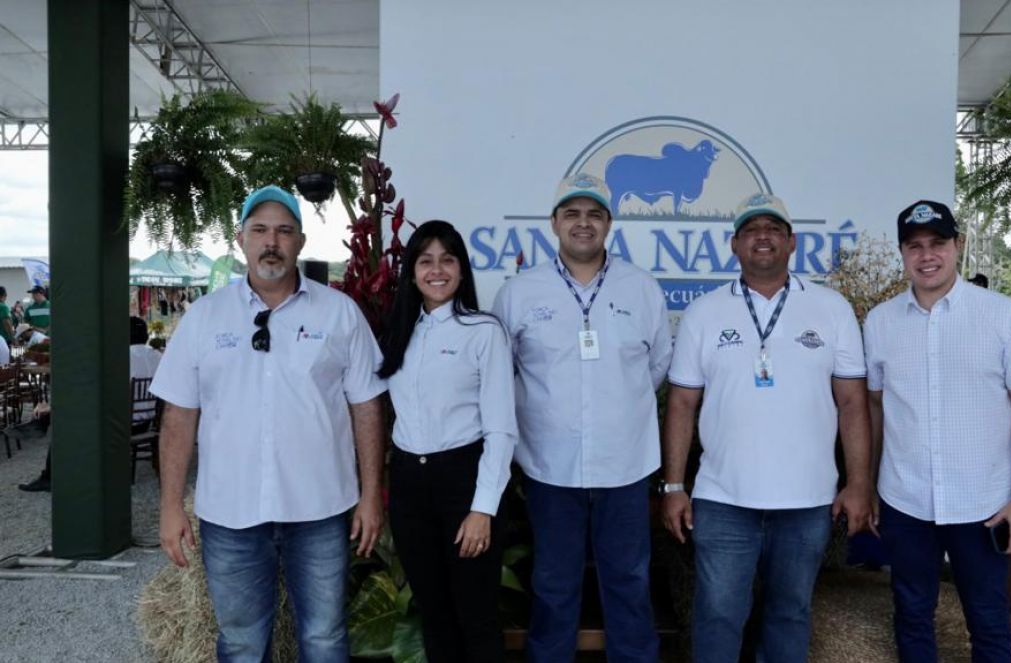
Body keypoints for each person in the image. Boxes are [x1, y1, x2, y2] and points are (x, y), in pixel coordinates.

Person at [151, 185, 387, 662]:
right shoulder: (204, 317)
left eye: (283, 230)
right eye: (259, 230)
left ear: (301, 241)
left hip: (320, 508)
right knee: (241, 643)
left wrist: (370, 495)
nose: (271, 242)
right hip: (230, 512)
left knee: (324, 638)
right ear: (240, 240)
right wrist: (170, 505)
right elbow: (178, 416)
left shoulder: (339, 313)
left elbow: (367, 407)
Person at [661, 192, 875, 662]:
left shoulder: (831, 308)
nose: (763, 237)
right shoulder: (703, 312)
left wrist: (859, 483)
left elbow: (852, 402)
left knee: (790, 614)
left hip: (807, 500)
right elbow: (681, 403)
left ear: (792, 242)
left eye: (774, 229)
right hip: (723, 499)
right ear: (734, 244)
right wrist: (674, 486)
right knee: (718, 615)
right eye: (752, 230)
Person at [492, 173, 672, 662]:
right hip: (550, 468)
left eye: (594, 214)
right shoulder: (519, 293)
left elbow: (656, 366)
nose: (583, 223)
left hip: (625, 466)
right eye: (571, 213)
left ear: (609, 223)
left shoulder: (642, 288)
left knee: (630, 582)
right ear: (554, 223)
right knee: (553, 585)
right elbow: (503, 372)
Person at [864, 200, 1011, 663]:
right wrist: (867, 485)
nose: (927, 255)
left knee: (988, 621)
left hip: (984, 504)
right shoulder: (880, 322)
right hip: (905, 500)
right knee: (911, 616)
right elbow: (875, 408)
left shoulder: (1003, 315)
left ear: (958, 246)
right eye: (915, 246)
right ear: (902, 252)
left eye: (938, 243)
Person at [378, 220, 517, 662]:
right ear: (412, 273)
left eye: (447, 260)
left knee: (476, 616)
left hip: (464, 483)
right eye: (425, 261)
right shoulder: (399, 333)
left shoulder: (484, 331)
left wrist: (482, 509)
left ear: (461, 269)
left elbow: (501, 428)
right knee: (434, 615)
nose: (436, 270)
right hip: (409, 486)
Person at [18, 316, 159, 493]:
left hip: (119, 425)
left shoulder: (119, 358)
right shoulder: (157, 356)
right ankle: (45, 420)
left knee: (65, 420)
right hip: (147, 423)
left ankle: (49, 475)